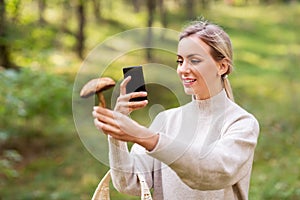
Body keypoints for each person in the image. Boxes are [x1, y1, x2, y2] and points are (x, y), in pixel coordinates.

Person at [92, 19, 260, 200]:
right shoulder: (166, 120)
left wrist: (144, 137)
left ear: (222, 66)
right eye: (180, 61)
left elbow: (213, 172)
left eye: (194, 60)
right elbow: (129, 184)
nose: (183, 69)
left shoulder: (241, 123)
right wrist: (117, 135)